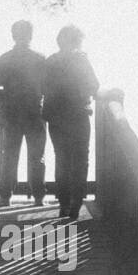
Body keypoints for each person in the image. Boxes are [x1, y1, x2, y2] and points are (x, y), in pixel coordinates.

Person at [42, 25, 99, 220]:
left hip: (56, 117)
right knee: (81, 159)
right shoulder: (81, 60)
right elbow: (94, 85)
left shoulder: (50, 61)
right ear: (77, 41)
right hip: (78, 115)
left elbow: (41, 86)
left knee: (62, 159)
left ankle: (63, 203)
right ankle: (76, 203)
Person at [0, 20, 47, 206]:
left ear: (13, 35)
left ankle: (5, 197)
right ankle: (39, 197)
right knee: (37, 156)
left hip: (12, 113)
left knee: (9, 155)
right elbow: (47, 84)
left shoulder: (5, 58)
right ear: (31, 35)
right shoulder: (40, 59)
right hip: (35, 112)